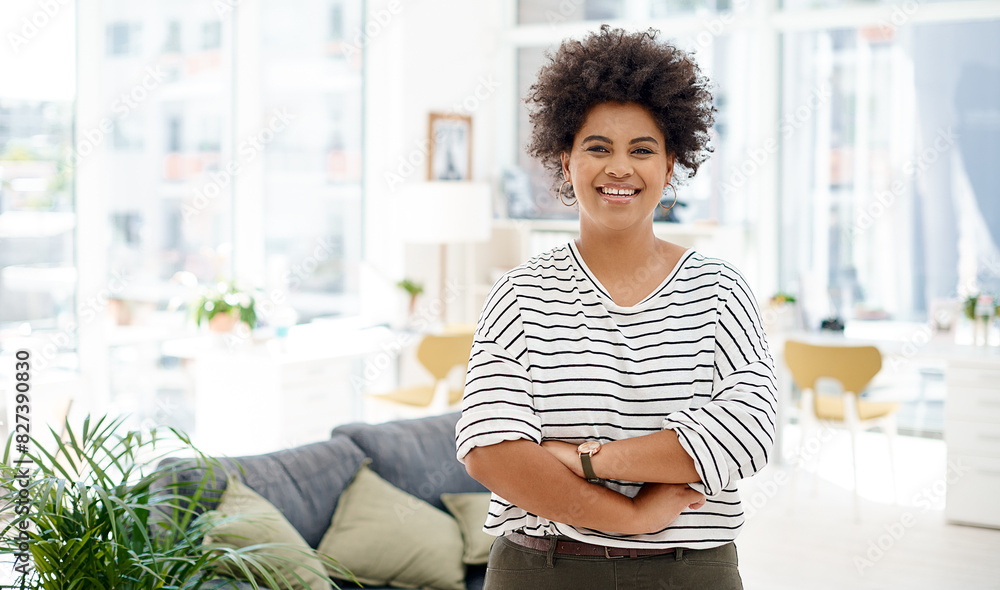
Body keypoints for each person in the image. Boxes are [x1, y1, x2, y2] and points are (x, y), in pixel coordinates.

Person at [455, 26, 777, 590]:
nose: (620, 168)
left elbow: (749, 434)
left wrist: (586, 459)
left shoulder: (719, 289)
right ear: (566, 160)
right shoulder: (521, 292)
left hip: (689, 571)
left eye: (642, 150)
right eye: (598, 147)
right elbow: (492, 453)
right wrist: (628, 517)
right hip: (541, 568)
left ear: (671, 164)